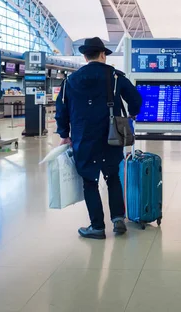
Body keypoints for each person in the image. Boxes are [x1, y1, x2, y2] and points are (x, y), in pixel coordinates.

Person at [55, 37, 142, 240]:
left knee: (90, 182)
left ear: (85, 56)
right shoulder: (116, 77)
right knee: (112, 177)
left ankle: (97, 227)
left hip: (83, 138)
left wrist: (64, 134)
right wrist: (132, 115)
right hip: (111, 136)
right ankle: (118, 219)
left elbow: (61, 110)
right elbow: (136, 99)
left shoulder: (70, 81)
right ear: (103, 55)